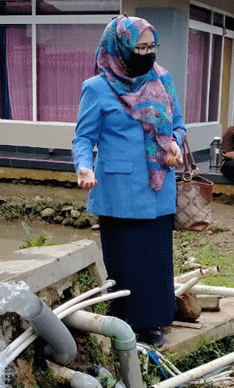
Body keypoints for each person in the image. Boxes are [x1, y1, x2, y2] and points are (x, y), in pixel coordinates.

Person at [72, 15, 185, 348]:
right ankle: (122, 325)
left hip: (159, 186)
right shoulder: (97, 88)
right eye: (139, 48)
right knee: (125, 262)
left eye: (152, 47)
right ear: (120, 47)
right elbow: (83, 138)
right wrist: (83, 167)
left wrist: (175, 141)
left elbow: (178, 124)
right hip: (117, 191)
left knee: (156, 259)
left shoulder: (163, 80)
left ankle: (154, 324)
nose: (147, 54)